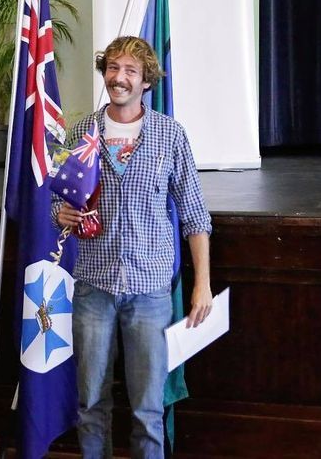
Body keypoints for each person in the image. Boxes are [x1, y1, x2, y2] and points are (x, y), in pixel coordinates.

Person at [54, 36, 213, 459]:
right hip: (93, 289)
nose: (118, 78)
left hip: (150, 293)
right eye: (112, 68)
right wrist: (60, 213)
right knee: (90, 405)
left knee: (147, 409)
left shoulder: (170, 136)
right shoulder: (81, 131)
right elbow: (60, 197)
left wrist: (202, 286)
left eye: (129, 71)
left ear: (146, 81)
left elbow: (196, 216)